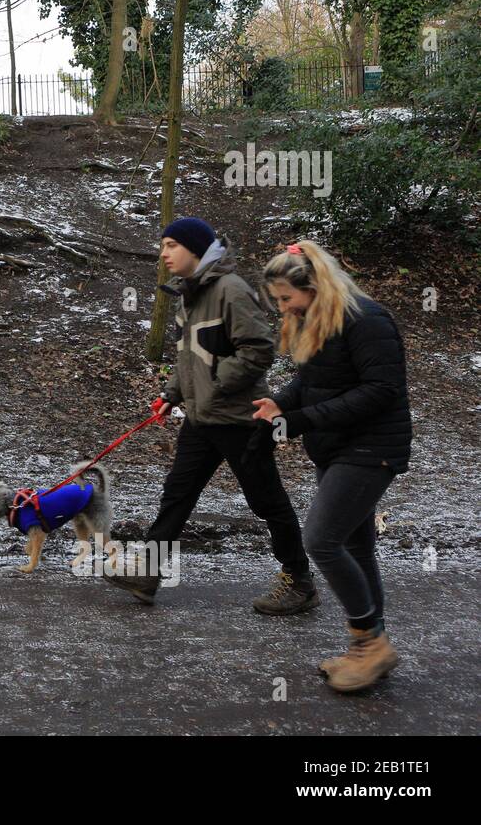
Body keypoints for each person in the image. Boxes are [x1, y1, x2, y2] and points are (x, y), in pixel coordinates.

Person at [105, 217, 315, 611]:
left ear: (196, 249)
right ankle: (148, 572)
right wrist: (173, 393)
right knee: (177, 496)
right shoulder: (192, 293)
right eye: (163, 245)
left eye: (171, 245)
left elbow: (258, 348)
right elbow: (192, 357)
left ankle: (300, 581)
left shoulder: (231, 290)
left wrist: (214, 386)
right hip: (202, 420)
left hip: (240, 420)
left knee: (267, 502)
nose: (164, 253)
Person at [252, 240, 411, 692]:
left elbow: (380, 389)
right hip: (337, 448)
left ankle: (371, 645)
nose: (283, 308)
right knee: (356, 548)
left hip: (370, 449)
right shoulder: (321, 319)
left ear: (315, 285)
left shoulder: (368, 319)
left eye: (286, 299)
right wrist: (279, 402)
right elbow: (312, 379)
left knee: (320, 540)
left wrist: (299, 421)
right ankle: (369, 647)